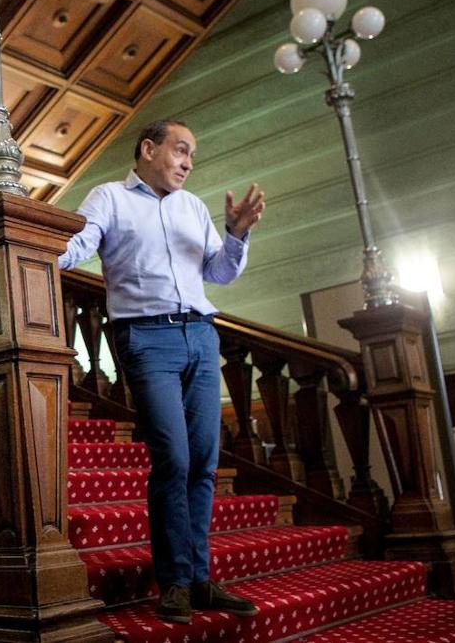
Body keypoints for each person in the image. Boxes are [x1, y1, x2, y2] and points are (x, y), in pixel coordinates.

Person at [58, 119, 265, 624]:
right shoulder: (108, 198)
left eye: (193, 154)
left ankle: (198, 580)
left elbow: (219, 273)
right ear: (148, 148)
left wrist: (236, 233)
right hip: (146, 337)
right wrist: (27, 242)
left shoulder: (193, 207)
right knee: (172, 456)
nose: (189, 162)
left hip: (201, 334)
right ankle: (173, 580)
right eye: (181, 150)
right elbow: (74, 248)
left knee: (204, 462)